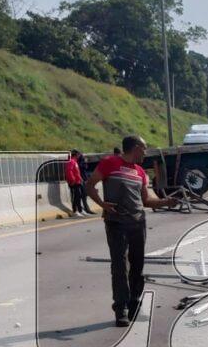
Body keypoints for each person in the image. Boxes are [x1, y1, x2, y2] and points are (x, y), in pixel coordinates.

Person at [85, 135, 178, 327]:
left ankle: (134, 305)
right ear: (135, 148)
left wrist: (166, 202)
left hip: (138, 224)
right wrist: (102, 204)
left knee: (137, 266)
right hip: (116, 223)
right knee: (120, 267)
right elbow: (89, 185)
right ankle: (121, 309)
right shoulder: (110, 163)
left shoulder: (140, 172)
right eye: (144, 149)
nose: (145, 152)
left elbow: (147, 200)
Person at [65, 150, 92, 216]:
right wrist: (73, 180)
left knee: (78, 196)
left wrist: (81, 179)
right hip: (73, 182)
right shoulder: (71, 161)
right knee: (75, 196)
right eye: (78, 154)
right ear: (76, 155)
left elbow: (77, 172)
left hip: (78, 182)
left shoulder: (75, 162)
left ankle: (80, 210)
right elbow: (69, 171)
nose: (79, 156)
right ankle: (75, 211)